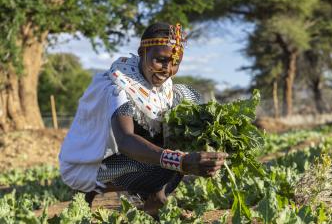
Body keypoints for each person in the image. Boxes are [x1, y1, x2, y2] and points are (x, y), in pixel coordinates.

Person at [58, 22, 228, 217]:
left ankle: (154, 199)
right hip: (90, 166)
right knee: (167, 161)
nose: (167, 69)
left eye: (175, 63)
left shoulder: (169, 92)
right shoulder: (118, 88)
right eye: (160, 60)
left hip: (129, 161)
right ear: (142, 52)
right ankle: (87, 193)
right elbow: (125, 140)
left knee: (184, 120)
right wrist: (180, 160)